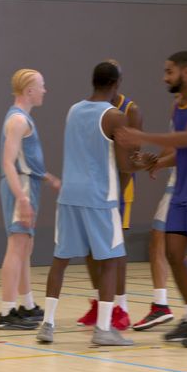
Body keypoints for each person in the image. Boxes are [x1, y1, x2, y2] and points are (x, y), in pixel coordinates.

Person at [115, 52, 187, 348]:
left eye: (169, 72)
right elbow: (184, 150)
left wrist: (142, 135)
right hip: (183, 192)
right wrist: (159, 162)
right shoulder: (178, 105)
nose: (164, 77)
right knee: (174, 253)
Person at [38, 62, 142, 346]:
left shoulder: (73, 110)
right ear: (116, 84)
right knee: (109, 261)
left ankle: (47, 324)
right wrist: (143, 162)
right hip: (99, 197)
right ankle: (103, 329)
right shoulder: (115, 116)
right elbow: (124, 164)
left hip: (69, 194)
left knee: (60, 260)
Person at [132, 67, 187, 331]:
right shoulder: (179, 110)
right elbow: (172, 147)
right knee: (164, 243)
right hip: (178, 185)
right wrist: (154, 161)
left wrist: (152, 153)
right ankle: (172, 307)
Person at [0, 69, 61, 330]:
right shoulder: (18, 120)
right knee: (16, 247)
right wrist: (22, 198)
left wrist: (47, 177)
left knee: (25, 248)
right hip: (20, 187)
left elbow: (27, 160)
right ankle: (6, 312)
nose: (45, 90)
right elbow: (8, 163)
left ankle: (27, 304)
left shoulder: (22, 119)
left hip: (28, 184)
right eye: (41, 86)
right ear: (29, 91)